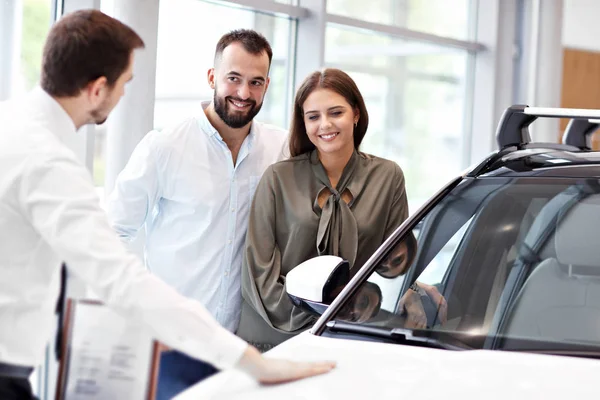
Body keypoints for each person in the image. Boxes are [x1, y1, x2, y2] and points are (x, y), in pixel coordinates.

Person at [0, 10, 333, 400]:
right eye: (125, 83)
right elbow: (117, 270)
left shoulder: (13, 128)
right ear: (97, 88)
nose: (125, 95)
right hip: (32, 366)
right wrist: (252, 364)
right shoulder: (49, 160)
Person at [104, 29, 288, 398]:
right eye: (233, 78)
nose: (243, 93)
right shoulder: (165, 146)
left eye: (255, 82)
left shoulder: (279, 148)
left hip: (245, 348)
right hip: (173, 345)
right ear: (212, 77)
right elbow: (112, 231)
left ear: (267, 85)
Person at [240, 68, 412, 349]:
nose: (325, 125)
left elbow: (397, 264)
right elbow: (258, 271)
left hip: (351, 335)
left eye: (336, 113)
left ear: (356, 114)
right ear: (304, 124)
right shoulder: (278, 179)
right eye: (313, 117)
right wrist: (318, 320)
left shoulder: (388, 177)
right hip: (275, 335)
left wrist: (413, 291)